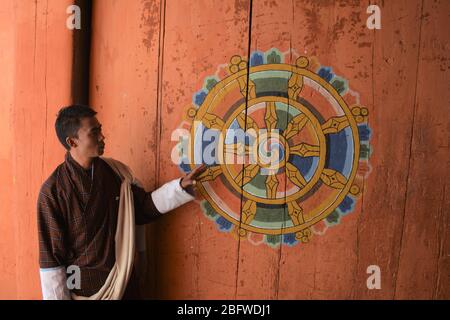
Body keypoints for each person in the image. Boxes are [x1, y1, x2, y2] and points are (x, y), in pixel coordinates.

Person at [37, 104, 206, 300]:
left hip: (123, 281)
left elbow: (141, 208)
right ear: (72, 141)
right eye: (94, 132)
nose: (102, 137)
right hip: (84, 292)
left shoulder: (115, 173)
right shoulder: (52, 192)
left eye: (100, 129)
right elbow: (51, 260)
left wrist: (180, 187)